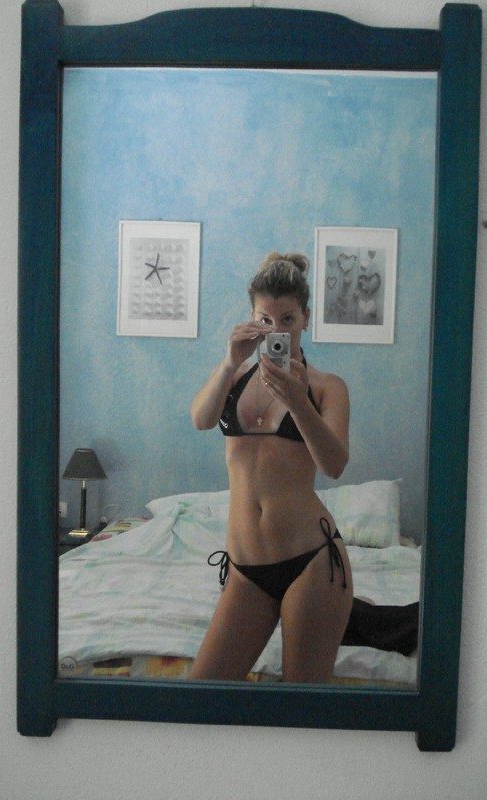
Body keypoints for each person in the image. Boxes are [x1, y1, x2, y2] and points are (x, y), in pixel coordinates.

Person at [189, 252, 353, 683]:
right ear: (252, 318)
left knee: (302, 705)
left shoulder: (326, 388)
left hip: (311, 563)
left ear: (306, 319)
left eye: (288, 319)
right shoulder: (233, 376)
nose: (276, 330)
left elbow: (334, 464)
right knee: (200, 696)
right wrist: (230, 361)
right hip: (246, 571)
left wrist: (299, 402)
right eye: (265, 319)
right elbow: (201, 419)